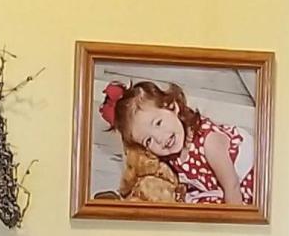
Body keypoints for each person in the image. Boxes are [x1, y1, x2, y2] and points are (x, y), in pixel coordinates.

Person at [100, 78, 251, 205]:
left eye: (158, 123)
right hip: (212, 188)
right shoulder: (169, 152)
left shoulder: (209, 142)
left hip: (242, 184)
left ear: (172, 107)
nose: (160, 138)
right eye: (148, 140)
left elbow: (232, 187)